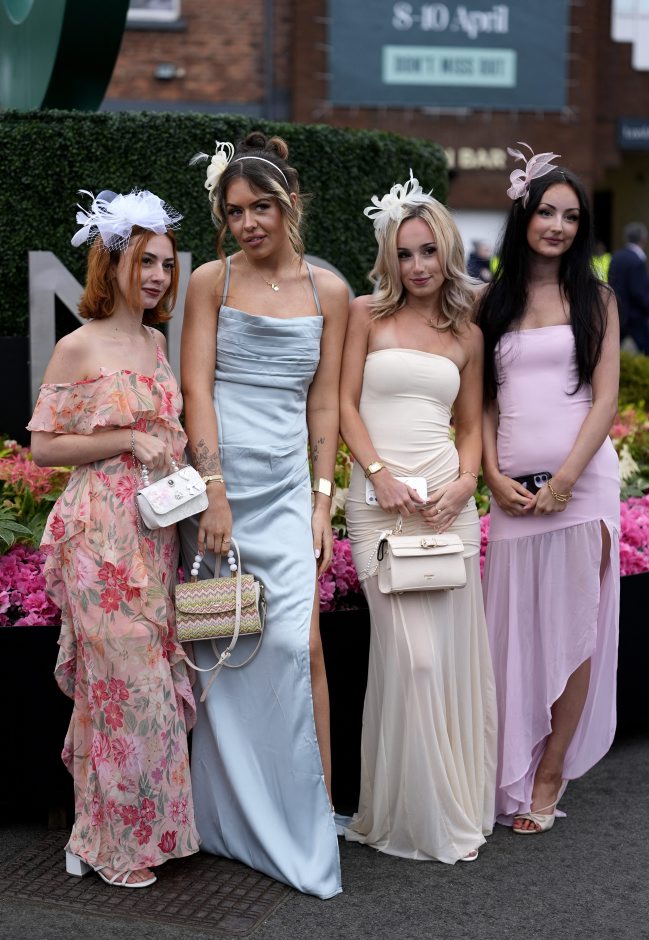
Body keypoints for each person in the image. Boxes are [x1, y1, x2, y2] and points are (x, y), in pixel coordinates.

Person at [179, 131, 348, 898]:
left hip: (285, 493)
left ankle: (312, 814)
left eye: (260, 207)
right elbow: (196, 389)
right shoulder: (209, 282)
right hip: (220, 495)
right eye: (234, 211)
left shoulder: (329, 292)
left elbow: (324, 404)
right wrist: (212, 493)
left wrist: (321, 502)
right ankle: (227, 822)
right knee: (224, 647)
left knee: (295, 644)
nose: (247, 222)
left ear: (289, 204)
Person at [28, 189, 200, 886]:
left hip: (153, 533)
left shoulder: (157, 344)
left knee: (133, 683)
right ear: (113, 263)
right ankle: (110, 846)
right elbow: (43, 447)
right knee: (121, 685)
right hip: (98, 536)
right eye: (144, 261)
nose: (157, 275)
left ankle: (97, 833)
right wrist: (126, 437)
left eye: (165, 263)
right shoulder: (78, 345)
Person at [339, 171, 497, 864]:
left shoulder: (467, 333)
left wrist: (465, 484)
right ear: (389, 258)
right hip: (379, 508)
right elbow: (343, 405)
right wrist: (377, 473)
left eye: (428, 251)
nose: (417, 266)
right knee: (414, 661)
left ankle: (443, 805)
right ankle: (409, 812)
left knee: (449, 658)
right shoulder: (364, 314)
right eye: (404, 254)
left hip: (444, 509)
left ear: (447, 251)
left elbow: (471, 426)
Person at [477, 146, 620, 833]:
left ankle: (549, 771)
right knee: (512, 631)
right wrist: (490, 475)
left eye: (570, 216)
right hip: (512, 492)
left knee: (573, 630)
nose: (557, 226)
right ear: (523, 216)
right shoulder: (490, 300)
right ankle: (509, 761)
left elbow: (605, 398)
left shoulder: (597, 299)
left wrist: (565, 480)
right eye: (546, 213)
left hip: (581, 488)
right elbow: (481, 402)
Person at [608, 221, 649, 354]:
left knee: (614, 351)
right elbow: (639, 292)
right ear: (643, 239)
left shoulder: (616, 256)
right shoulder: (637, 260)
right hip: (635, 317)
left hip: (618, 313)